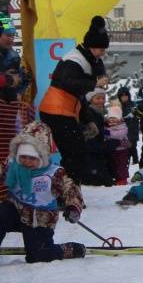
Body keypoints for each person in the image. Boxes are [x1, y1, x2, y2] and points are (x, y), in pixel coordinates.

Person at [0, 120, 87, 269]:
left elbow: (71, 189)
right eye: (23, 157)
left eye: (32, 158)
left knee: (38, 256)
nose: (26, 162)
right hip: (15, 210)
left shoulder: (53, 173)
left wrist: (73, 207)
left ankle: (69, 249)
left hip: (40, 218)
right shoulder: (13, 166)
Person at [39, 15, 108, 184]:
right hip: (55, 111)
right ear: (91, 46)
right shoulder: (74, 60)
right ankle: (66, 191)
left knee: (76, 153)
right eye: (100, 49)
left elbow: (79, 96)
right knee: (74, 154)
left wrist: (88, 120)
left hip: (64, 112)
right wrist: (94, 82)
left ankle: (69, 189)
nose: (103, 53)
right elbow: (66, 83)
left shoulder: (88, 59)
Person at [0, 12, 29, 102]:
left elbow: (25, 78)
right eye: (8, 35)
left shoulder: (14, 56)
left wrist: (19, 90)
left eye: (13, 36)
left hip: (9, 105)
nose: (11, 39)